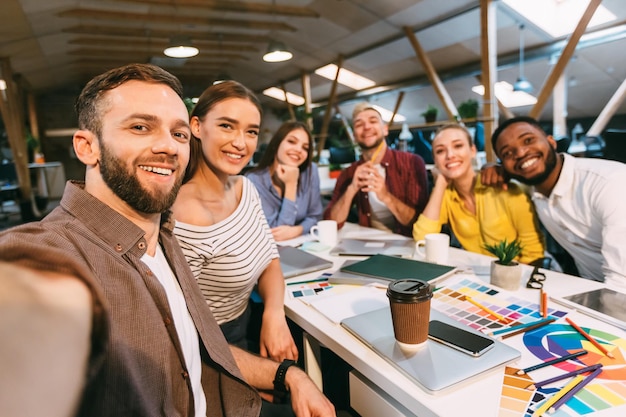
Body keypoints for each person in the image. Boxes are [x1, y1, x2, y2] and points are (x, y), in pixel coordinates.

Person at [0, 63, 334, 417]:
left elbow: (200, 348)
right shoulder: (51, 251)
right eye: (140, 127)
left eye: (178, 134)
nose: (168, 147)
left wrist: (288, 375)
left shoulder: (163, 236)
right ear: (87, 147)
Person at [171, 81, 298, 363]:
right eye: (227, 126)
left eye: (251, 131)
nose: (241, 143)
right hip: (211, 347)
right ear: (196, 126)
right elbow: (182, 333)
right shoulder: (184, 217)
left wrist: (274, 314)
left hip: (248, 323)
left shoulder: (245, 188)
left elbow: (269, 261)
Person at [485, 116, 626, 289]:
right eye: (507, 153)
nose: (520, 153)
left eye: (528, 140)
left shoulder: (609, 184)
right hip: (592, 288)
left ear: (551, 142)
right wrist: (491, 169)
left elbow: (621, 283)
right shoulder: (531, 190)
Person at [412, 124, 545, 264]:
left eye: (457, 146)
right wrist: (440, 183)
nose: (450, 155)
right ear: (435, 160)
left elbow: (533, 253)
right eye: (440, 151)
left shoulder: (504, 188)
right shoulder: (446, 195)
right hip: (477, 276)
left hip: (516, 275)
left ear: (473, 150)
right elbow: (422, 238)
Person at [324, 102, 429, 237]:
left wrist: (385, 196)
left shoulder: (412, 163)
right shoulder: (350, 173)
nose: (366, 127)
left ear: (385, 129)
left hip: (407, 244)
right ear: (355, 136)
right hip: (368, 243)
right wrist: (352, 189)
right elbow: (330, 224)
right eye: (359, 124)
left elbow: (419, 222)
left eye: (372, 121)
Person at [246, 121, 323, 242]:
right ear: (276, 144)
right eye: (292, 141)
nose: (298, 149)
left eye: (305, 148)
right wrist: (291, 185)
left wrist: (298, 230)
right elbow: (277, 232)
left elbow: (316, 216)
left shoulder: (310, 171)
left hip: (303, 245)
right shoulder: (254, 180)